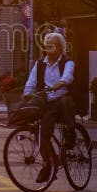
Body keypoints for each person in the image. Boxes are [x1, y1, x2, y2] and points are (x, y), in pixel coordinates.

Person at [23, 32, 76, 183]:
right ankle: (47, 164)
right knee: (41, 134)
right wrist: (27, 93)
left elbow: (68, 76)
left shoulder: (67, 62)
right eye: (46, 46)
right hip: (46, 101)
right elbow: (31, 82)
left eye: (51, 46)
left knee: (66, 102)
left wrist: (60, 83)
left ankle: (71, 133)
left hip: (62, 98)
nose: (48, 49)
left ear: (60, 48)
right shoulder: (39, 64)